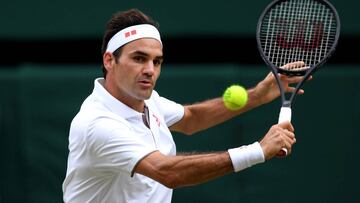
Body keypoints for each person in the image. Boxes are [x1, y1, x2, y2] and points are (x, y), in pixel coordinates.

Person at [62, 8, 308, 203]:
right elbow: (168, 172)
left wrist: (257, 95)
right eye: (139, 58)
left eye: (157, 62)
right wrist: (258, 150)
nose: (150, 70)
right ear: (109, 60)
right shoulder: (97, 124)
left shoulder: (149, 102)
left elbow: (191, 118)